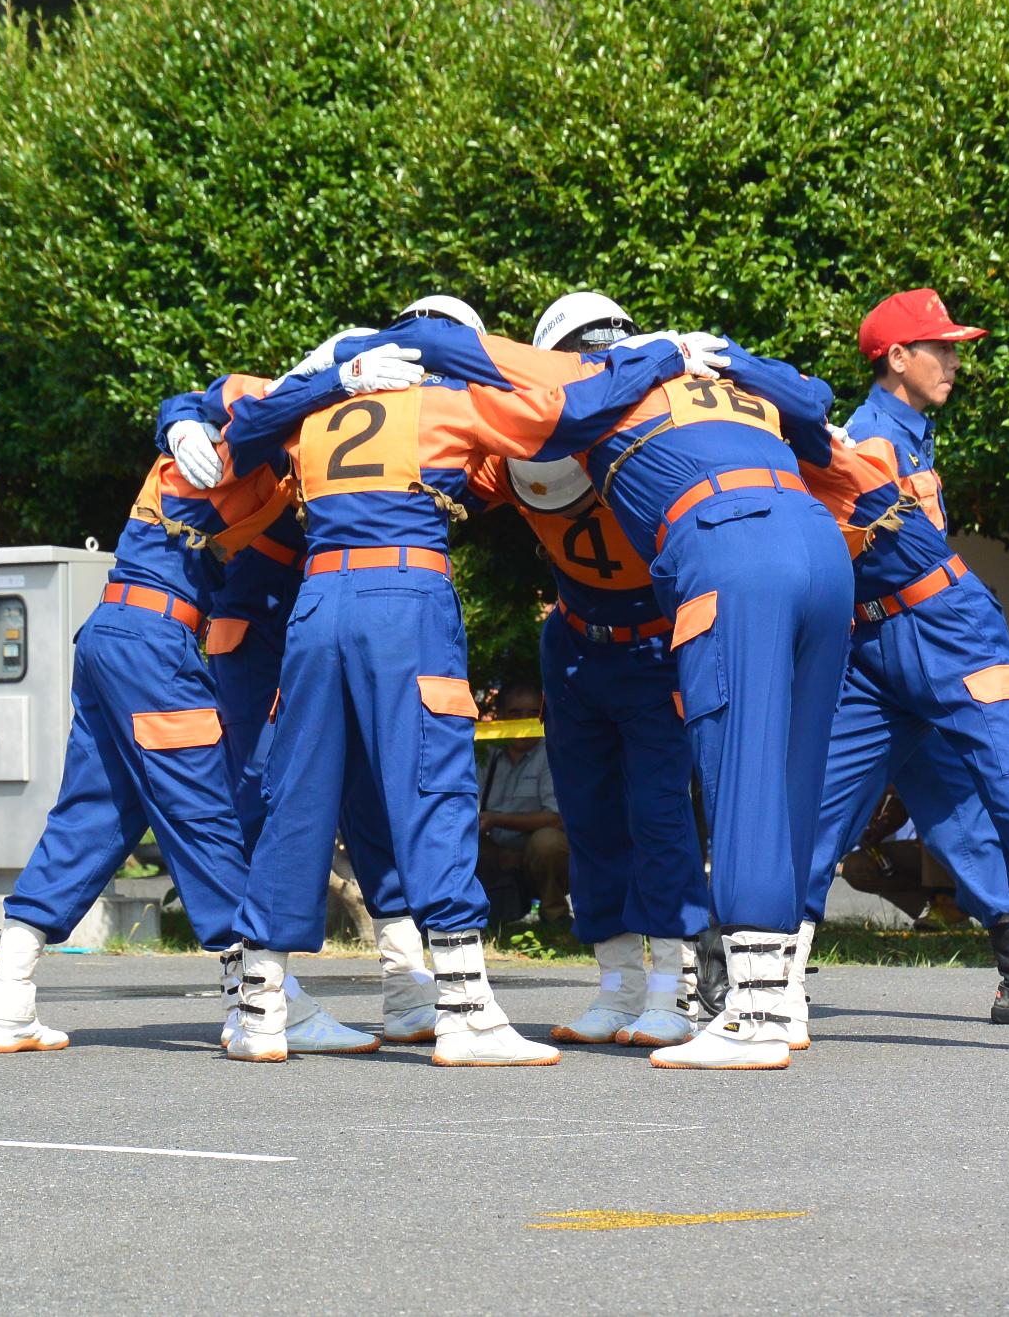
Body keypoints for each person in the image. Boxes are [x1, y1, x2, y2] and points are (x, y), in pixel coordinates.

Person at [202, 296, 712, 1066]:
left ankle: (261, 1004)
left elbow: (236, 422)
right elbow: (570, 414)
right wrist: (660, 355)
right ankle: (466, 1007)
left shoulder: (316, 409)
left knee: (296, 796)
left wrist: (330, 377)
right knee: (434, 787)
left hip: (318, 600)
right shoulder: (454, 401)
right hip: (402, 596)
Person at [0, 342, 425, 1055]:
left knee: (93, 815)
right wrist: (338, 379)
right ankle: (259, 1004)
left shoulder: (252, 455)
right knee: (205, 816)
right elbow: (246, 410)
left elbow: (203, 411)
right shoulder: (258, 426)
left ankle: (7, 992)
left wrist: (178, 418)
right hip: (155, 644)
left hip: (114, 631)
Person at [802, 288, 1009, 1058]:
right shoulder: (869, 440)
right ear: (896, 358)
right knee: (820, 817)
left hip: (946, 640)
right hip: (893, 648)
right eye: (941, 347)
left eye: (956, 346)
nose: (955, 360)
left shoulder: (910, 432)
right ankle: (771, 991)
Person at [468, 309, 708, 1047]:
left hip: (655, 640)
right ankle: (618, 983)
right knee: (589, 816)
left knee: (661, 814)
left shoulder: (661, 419)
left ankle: (674, 984)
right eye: (578, 357)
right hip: (575, 642)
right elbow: (455, 476)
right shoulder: (525, 434)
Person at [474, 683, 571, 926]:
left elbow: (557, 818)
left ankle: (555, 917)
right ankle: (478, 916)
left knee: (547, 843)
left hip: (541, 854)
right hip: (498, 850)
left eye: (531, 713)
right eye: (515, 713)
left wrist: (496, 819)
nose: (523, 720)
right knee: (460, 843)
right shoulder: (488, 753)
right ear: (501, 716)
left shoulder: (552, 752)